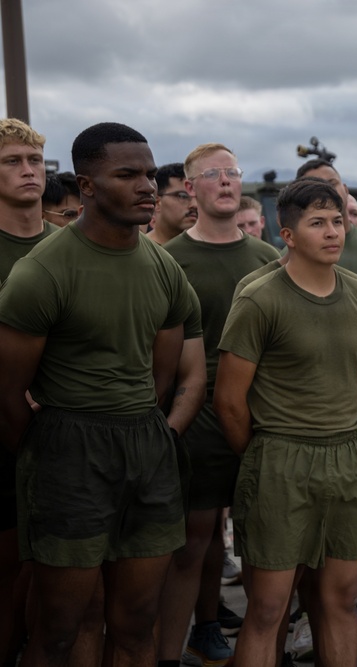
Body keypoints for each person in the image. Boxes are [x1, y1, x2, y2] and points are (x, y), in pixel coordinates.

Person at [0, 121, 194, 666]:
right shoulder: (41, 272)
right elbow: (8, 394)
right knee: (59, 629)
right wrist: (50, 456)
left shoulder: (164, 268)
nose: (147, 187)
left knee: (136, 625)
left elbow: (163, 376)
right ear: (86, 186)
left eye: (151, 174)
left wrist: (135, 429)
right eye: (127, 175)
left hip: (145, 447)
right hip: (68, 450)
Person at [214, 178, 357, 667]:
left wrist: (339, 433)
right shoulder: (260, 299)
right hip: (279, 459)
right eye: (317, 223)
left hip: (349, 458)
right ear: (287, 235)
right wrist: (269, 452)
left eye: (337, 221)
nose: (333, 232)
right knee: (268, 609)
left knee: (341, 599)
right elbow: (228, 401)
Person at [160, 143, 280, 667]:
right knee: (194, 540)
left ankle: (261, 649)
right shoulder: (168, 260)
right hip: (199, 415)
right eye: (213, 174)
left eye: (233, 172)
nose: (227, 182)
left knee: (263, 544)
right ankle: (173, 648)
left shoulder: (268, 258)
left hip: (264, 415)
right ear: (191, 189)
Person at [0, 117, 62, 665]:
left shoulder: (67, 247)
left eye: (35, 161)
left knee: (51, 578)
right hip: (3, 431)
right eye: (12, 162)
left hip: (62, 432)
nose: (28, 171)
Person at [295, 159, 357, 275]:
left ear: (345, 190)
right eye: (315, 187)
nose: (327, 192)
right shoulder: (294, 254)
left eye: (332, 184)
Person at [147, 163, 197, 245]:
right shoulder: (142, 251)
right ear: (157, 203)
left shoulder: (206, 252)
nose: (194, 205)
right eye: (183, 196)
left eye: (197, 197)